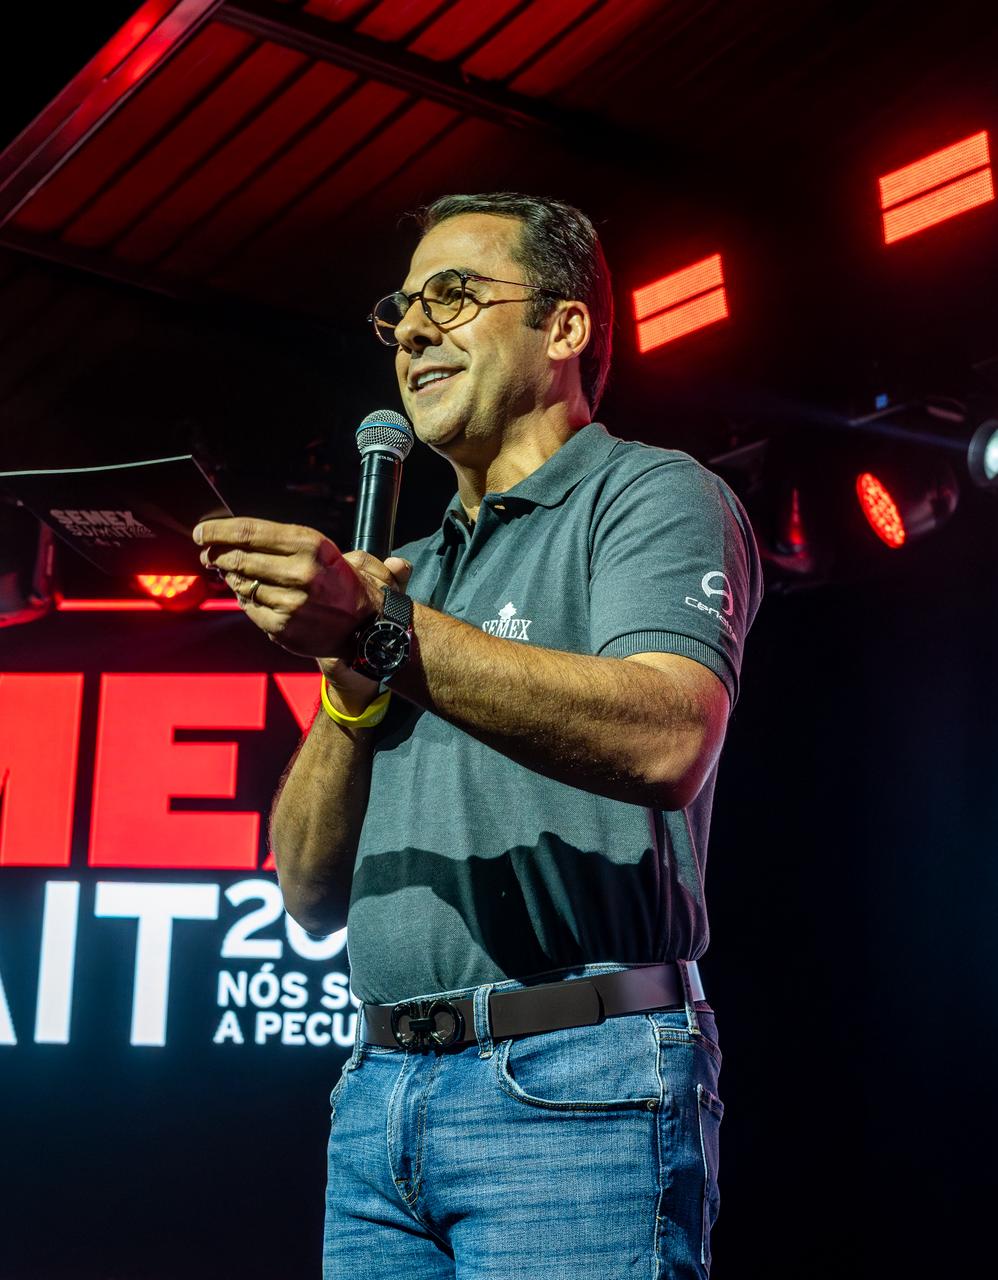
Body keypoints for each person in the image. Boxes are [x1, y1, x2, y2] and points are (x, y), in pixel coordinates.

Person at [193, 192, 762, 1278]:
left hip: (577, 1081)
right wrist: (351, 689)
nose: (411, 331)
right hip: (378, 1095)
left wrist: (383, 629)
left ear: (564, 328)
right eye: (401, 310)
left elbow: (667, 736)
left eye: (452, 297)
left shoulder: (648, 493)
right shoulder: (409, 571)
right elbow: (307, 891)